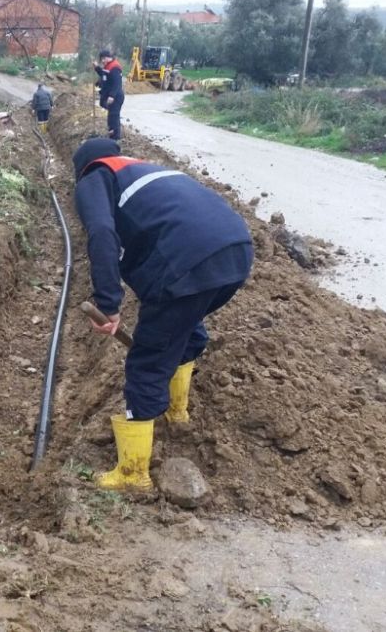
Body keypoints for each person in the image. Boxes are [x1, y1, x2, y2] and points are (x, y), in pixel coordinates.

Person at [72, 137, 253, 491]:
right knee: (184, 327)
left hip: (187, 259)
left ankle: (133, 474)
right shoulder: (146, 169)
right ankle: (177, 413)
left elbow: (102, 233)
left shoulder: (95, 176)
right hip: (236, 253)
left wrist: (108, 304)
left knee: (148, 359)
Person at [93, 50, 125, 141]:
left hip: (116, 97)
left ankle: (115, 137)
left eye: (104, 59)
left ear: (108, 57)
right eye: (101, 59)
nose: (102, 61)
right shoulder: (107, 66)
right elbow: (104, 75)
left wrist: (112, 96)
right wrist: (97, 68)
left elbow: (117, 83)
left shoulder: (115, 67)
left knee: (114, 116)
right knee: (111, 116)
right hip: (109, 96)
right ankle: (111, 133)